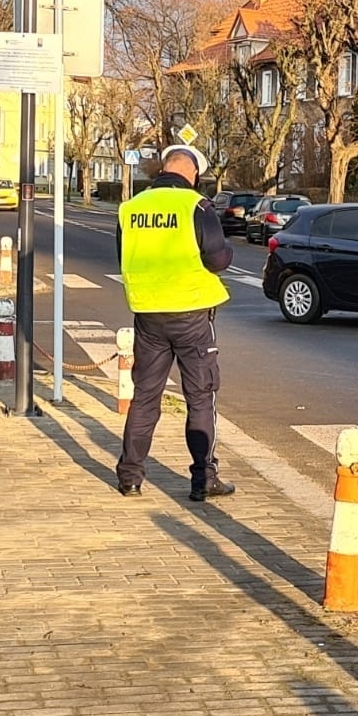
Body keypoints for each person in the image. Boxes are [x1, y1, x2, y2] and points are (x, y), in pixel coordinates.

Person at [114, 144, 236, 501]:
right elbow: (217, 259)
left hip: (149, 315)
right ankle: (204, 479)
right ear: (193, 172)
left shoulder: (130, 208)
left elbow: (123, 256)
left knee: (145, 397)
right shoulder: (196, 205)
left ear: (164, 168)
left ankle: (130, 477)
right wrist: (226, 251)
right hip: (193, 314)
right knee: (200, 397)